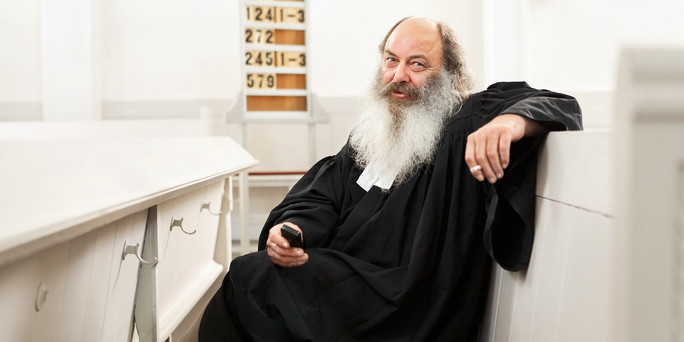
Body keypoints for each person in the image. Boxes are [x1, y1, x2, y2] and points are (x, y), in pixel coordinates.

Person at [200, 16, 582, 341]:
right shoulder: (375, 132)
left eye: (418, 64)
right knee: (252, 277)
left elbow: (558, 104)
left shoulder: (465, 118)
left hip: (409, 298)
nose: (399, 76)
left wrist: (509, 123)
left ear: (450, 73)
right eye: (391, 60)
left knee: (256, 280)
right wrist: (291, 226)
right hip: (352, 278)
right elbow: (323, 194)